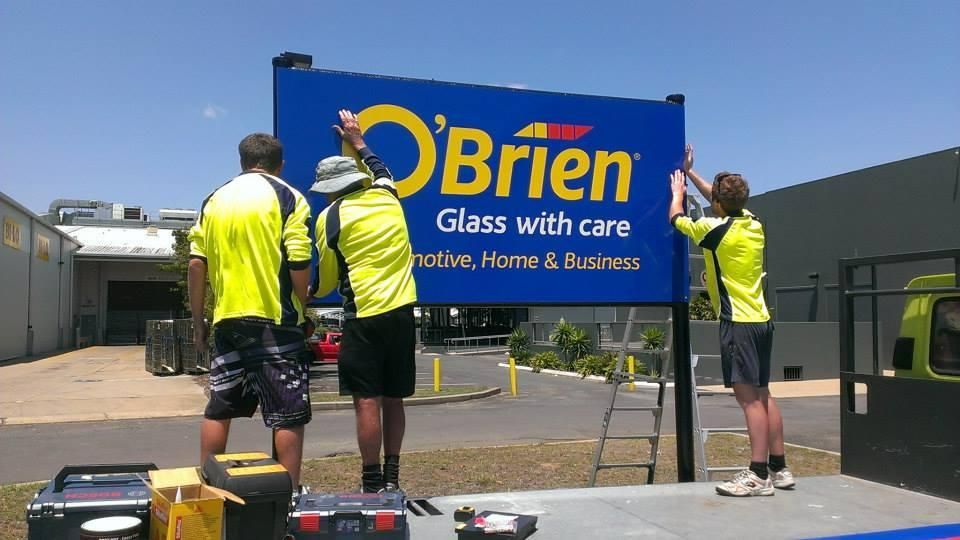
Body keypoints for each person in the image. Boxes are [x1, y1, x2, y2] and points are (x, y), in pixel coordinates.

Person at [188, 133, 313, 490]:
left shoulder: (214, 199)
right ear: (280, 165)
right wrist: (303, 303)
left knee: (220, 407)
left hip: (227, 320)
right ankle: (287, 497)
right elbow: (299, 258)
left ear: (242, 162)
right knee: (288, 413)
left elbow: (196, 263)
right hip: (276, 320)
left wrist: (199, 322)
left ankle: (209, 491)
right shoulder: (289, 197)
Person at [669, 144, 794, 497]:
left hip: (738, 323)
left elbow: (676, 219)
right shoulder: (752, 222)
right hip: (761, 320)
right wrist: (691, 172)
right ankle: (779, 467)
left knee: (749, 400)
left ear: (718, 204)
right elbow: (719, 198)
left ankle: (757, 475)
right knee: (764, 394)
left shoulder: (714, 229)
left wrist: (677, 193)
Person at [309, 109, 418, 493]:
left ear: (331, 188)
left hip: (364, 315)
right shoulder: (388, 195)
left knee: (367, 401)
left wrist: (308, 294)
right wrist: (357, 139)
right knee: (394, 399)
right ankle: (393, 477)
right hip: (402, 312)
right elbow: (381, 168)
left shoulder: (329, 217)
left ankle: (371, 482)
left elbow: (325, 281)